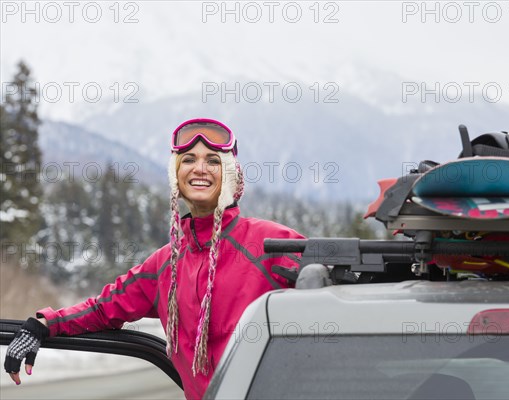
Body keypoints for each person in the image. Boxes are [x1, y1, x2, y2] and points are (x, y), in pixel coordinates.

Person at [4, 118, 305, 399]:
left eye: (213, 161)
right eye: (188, 160)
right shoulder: (165, 266)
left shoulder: (269, 244)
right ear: (176, 176)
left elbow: (338, 293)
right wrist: (44, 325)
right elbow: (104, 307)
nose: (200, 168)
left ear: (230, 176)